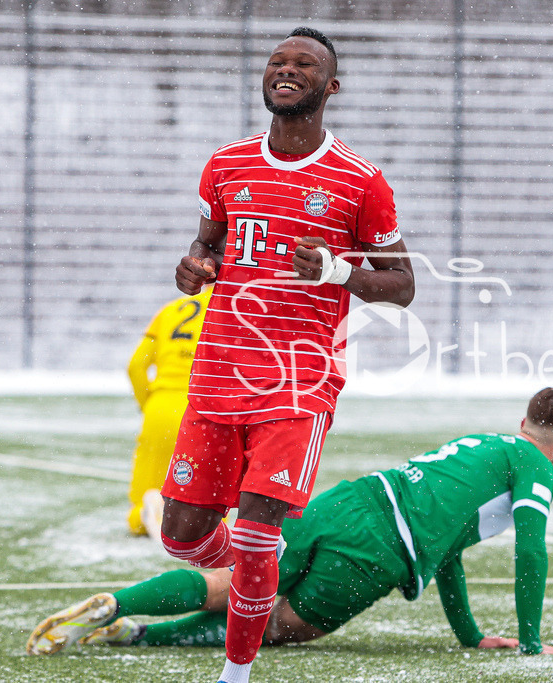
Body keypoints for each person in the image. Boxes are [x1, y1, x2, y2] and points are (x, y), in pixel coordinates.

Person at [162, 27, 415, 683]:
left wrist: (336, 271)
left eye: (304, 63)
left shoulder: (361, 182)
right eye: (277, 60)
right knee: (181, 536)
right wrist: (194, 268)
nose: (286, 68)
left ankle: (236, 671)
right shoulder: (225, 164)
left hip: (299, 379)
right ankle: (259, 567)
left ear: (330, 87)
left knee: (253, 530)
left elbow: (402, 287)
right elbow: (206, 248)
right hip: (218, 372)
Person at [26, 388, 553, 658]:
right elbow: (532, 552)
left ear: (522, 422)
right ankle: (142, 635)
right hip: (380, 547)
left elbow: (449, 554)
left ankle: (117, 608)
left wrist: (470, 635)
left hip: (348, 500)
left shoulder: (484, 443)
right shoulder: (537, 463)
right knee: (278, 625)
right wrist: (531, 644)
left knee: (238, 582)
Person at [125, 286, 212, 537]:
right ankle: (198, 528)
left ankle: (143, 518)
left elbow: (135, 367)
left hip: (161, 405)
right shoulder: (234, 310)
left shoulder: (170, 310)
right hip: (202, 406)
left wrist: (149, 405)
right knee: (206, 493)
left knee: (144, 494)